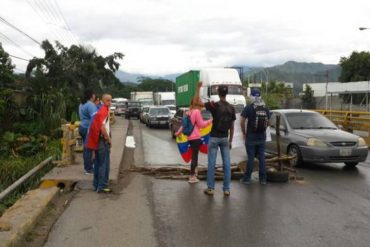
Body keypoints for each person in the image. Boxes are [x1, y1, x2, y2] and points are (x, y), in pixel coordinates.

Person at [193, 82, 236, 196]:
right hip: (224, 138)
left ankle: (211, 189)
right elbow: (232, 127)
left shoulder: (214, 105)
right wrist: (230, 140)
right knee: (227, 163)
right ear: (226, 93)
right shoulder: (231, 108)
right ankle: (226, 189)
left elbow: (196, 102)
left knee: (211, 163)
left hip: (214, 137)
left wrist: (198, 88)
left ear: (218, 93)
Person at [176, 98, 212, 183]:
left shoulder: (188, 112)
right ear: (197, 104)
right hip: (196, 138)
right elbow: (201, 124)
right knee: (195, 157)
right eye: (199, 103)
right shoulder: (196, 112)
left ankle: (193, 173)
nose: (201, 104)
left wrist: (178, 132)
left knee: (193, 156)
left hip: (190, 138)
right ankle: (192, 177)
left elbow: (184, 125)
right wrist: (210, 121)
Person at [240, 88, 270, 185]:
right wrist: (263, 129)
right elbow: (269, 122)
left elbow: (242, 121)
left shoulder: (249, 108)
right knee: (262, 159)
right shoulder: (265, 108)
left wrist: (244, 133)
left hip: (251, 138)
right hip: (261, 137)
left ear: (252, 96)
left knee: (251, 158)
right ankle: (263, 179)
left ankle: (247, 179)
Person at [86, 94, 112, 193]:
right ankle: (102, 186)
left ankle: (96, 184)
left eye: (110, 100)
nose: (109, 103)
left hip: (97, 141)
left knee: (97, 164)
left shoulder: (100, 110)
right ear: (102, 100)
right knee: (104, 164)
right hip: (102, 141)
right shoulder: (104, 111)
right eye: (107, 100)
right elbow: (102, 127)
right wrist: (108, 139)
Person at [78, 89, 97, 175]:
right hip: (88, 128)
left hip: (82, 127)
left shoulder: (81, 104)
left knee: (86, 149)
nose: (95, 96)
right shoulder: (90, 105)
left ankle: (88, 166)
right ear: (92, 96)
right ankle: (88, 169)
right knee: (88, 149)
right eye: (94, 95)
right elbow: (94, 118)